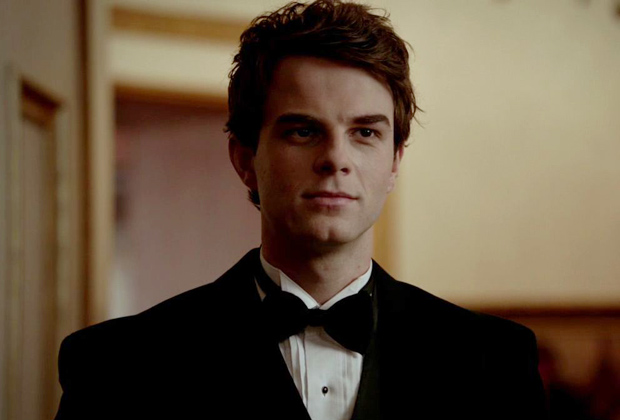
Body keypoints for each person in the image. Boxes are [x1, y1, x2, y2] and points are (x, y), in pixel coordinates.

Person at [54, 1, 547, 419]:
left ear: (395, 162)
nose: (336, 159)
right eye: (303, 131)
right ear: (245, 160)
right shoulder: (117, 365)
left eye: (365, 132)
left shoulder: (496, 360)